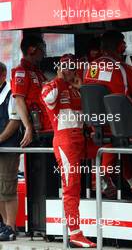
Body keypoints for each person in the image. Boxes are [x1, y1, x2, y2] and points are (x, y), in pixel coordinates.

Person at [41, 54, 96, 248]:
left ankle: (103, 181)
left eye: (72, 67)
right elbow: (47, 98)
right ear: (60, 68)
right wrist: (60, 79)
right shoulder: (52, 86)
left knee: (80, 180)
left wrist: (82, 89)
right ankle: (75, 234)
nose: (70, 70)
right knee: (71, 187)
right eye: (66, 67)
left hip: (80, 140)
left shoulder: (78, 89)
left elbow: (90, 114)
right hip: (65, 142)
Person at [84, 30, 132, 197]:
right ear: (120, 46)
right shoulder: (123, 68)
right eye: (124, 43)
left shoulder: (90, 68)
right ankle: (102, 177)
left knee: (118, 142)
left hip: (95, 124)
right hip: (119, 124)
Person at [11, 35, 52, 147]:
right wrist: (28, 127)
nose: (43, 52)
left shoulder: (38, 72)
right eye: (41, 48)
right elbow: (19, 101)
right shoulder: (21, 71)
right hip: (36, 132)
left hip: (48, 127)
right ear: (32, 50)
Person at [0, 62, 21, 241]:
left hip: (8, 147)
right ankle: (3, 224)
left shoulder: (11, 94)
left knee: (7, 187)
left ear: (3, 75)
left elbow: (14, 122)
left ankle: (11, 226)